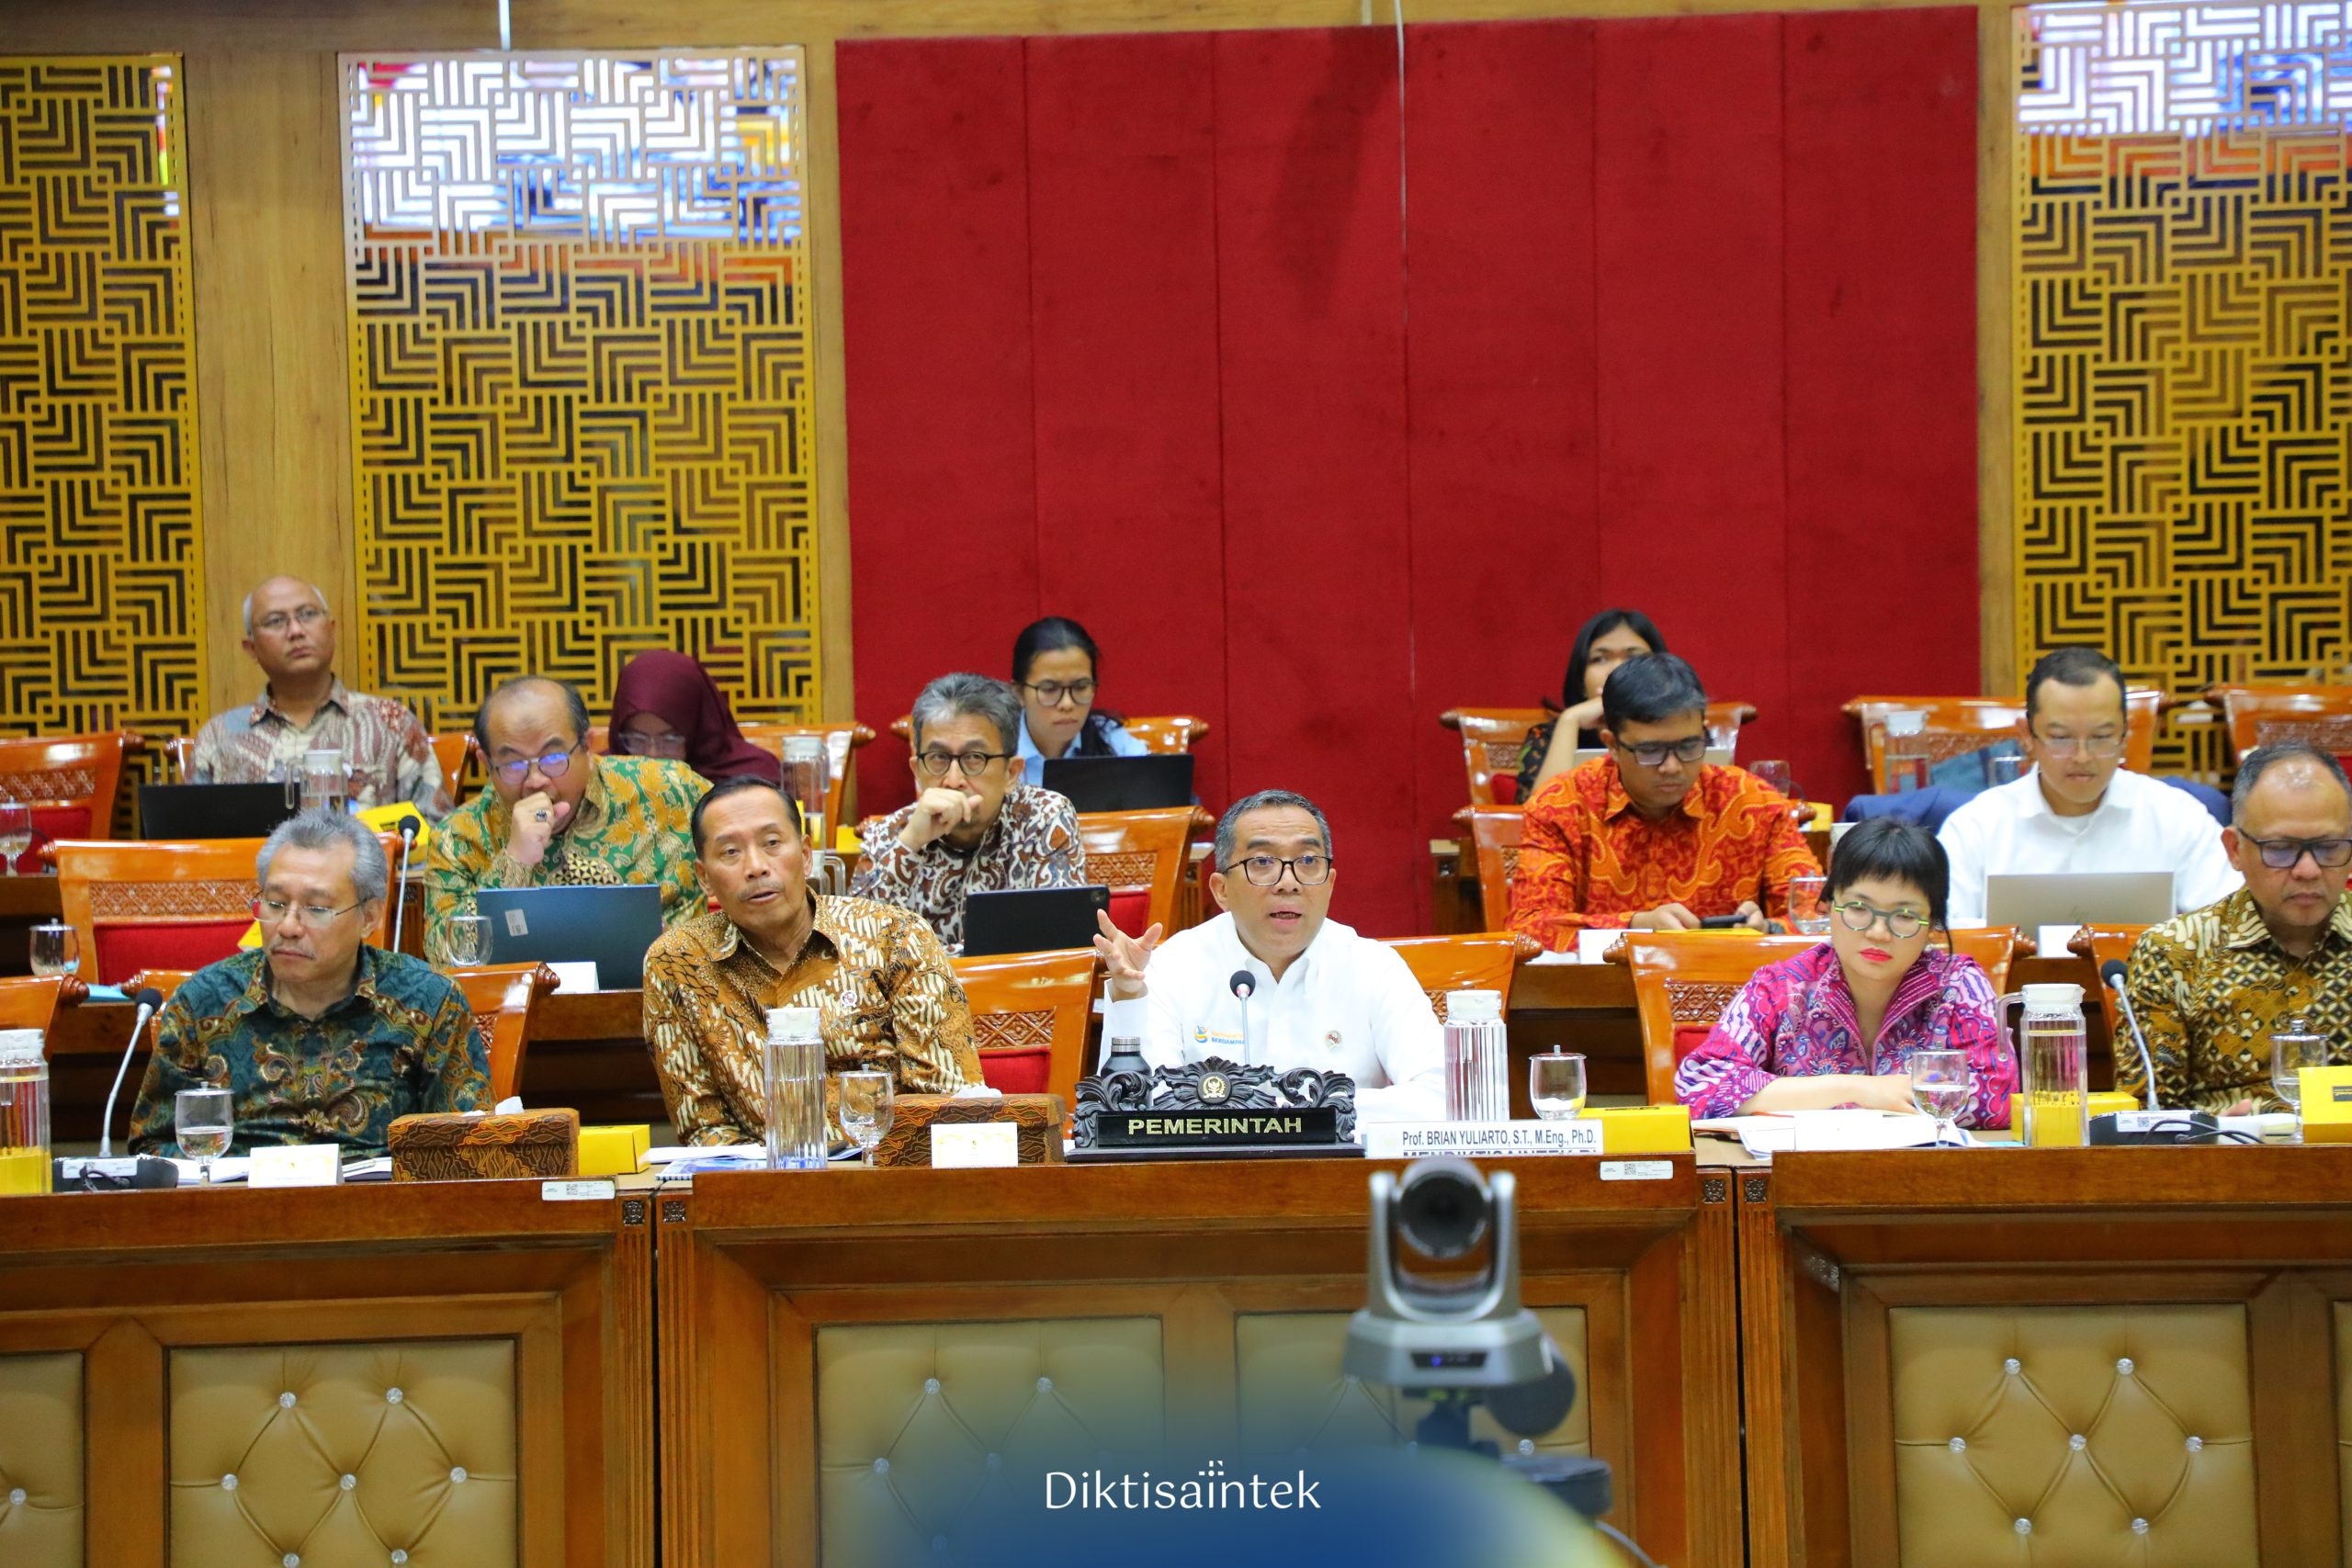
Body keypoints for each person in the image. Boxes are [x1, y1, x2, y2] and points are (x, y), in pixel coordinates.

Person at [128, 810, 488, 1157]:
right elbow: (152, 1148)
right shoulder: (203, 1002)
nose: (288, 926)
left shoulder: (429, 1001)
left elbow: (467, 1148)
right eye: (275, 903)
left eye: (316, 909)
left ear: (369, 917)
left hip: (378, 1212)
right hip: (242, 1210)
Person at [643, 778, 980, 1145]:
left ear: (805, 855)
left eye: (772, 844)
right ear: (704, 878)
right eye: (730, 852)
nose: (756, 867)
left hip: (894, 1178)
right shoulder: (678, 963)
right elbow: (704, 1129)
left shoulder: (894, 936)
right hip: (763, 1188)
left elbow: (947, 1102)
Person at [1091, 789, 1442, 1121]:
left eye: (1307, 861)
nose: (1288, 882)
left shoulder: (1374, 968)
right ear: (1222, 889)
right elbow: (1135, 1108)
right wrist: (1128, 999)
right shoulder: (1172, 968)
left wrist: (1282, 1112)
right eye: (1262, 862)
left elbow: (1440, 1096)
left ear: (1330, 883)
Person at [1674, 819, 2015, 1124]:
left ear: (1934, 924)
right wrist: (1859, 1089)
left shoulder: (1958, 985)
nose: (1879, 933)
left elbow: (1997, 1096)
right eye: (1857, 908)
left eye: (1905, 916)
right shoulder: (1780, 987)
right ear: (1827, 905)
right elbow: (1699, 1086)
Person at [1510, 654, 1820, 948]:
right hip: (1600, 995)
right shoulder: (1561, 805)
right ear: (1612, 745)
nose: (1672, 766)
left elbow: (1820, 913)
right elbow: (1530, 928)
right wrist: (1635, 927)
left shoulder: (1753, 802)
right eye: (1650, 751)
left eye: (1688, 746)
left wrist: (1770, 930)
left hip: (1732, 992)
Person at [2120, 740, 2352, 1115]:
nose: (2308, 870)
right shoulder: (2175, 954)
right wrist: (2207, 1135)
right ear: (2234, 849)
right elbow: (2144, 1118)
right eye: (2280, 848)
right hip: (2223, 1163)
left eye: (2329, 848)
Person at [1937, 647, 2239, 926]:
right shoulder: (1975, 828)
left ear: (2125, 733)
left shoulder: (2176, 817)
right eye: (2061, 738)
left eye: (2101, 737)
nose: (2082, 757)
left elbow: (2228, 926)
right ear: (2027, 736)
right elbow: (1942, 943)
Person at [426, 675, 710, 952]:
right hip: (524, 998)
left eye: (553, 759)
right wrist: (514, 862)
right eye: (514, 765)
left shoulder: (670, 792)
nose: (535, 780)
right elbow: (445, 958)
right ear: (486, 764)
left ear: (586, 745)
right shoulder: (458, 837)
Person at [188, 575, 453, 818]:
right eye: (275, 621)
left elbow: (436, 834)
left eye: (307, 615)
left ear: (331, 629)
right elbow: (192, 845)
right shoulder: (218, 737)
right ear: (251, 648)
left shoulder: (392, 723)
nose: (295, 631)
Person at [851, 673, 1082, 949]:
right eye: (938, 758)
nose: (953, 779)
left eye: (974, 758)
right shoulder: (888, 836)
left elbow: (1060, 944)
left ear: (1011, 773)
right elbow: (855, 951)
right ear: (917, 771)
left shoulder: (1044, 819)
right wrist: (910, 844)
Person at [1516, 609, 1667, 799]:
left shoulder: (1682, 731)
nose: (1616, 670)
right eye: (1600, 659)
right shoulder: (1546, 738)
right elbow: (1541, 817)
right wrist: (1570, 720)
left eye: (1634, 658)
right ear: (1580, 681)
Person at [607, 649, 783, 784]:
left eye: (670, 739)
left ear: (698, 730)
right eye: (638, 739)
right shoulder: (604, 778)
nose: (652, 755)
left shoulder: (751, 777)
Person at [1012, 616, 1150, 764]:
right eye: (1049, 689)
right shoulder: (994, 751)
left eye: (1080, 687)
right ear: (1019, 693)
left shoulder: (1115, 744)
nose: (1067, 704)